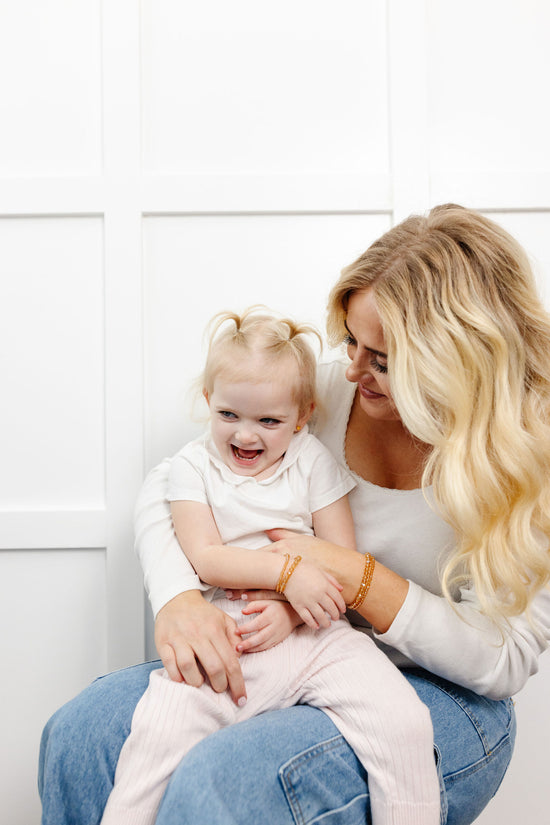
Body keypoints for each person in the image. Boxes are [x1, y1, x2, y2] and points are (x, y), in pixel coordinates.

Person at [39, 204, 550, 825]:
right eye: (352, 342)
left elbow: (503, 661)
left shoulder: (529, 460)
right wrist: (179, 598)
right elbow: (172, 479)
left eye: (384, 360)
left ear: (456, 361)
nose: (355, 369)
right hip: (292, 646)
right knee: (80, 736)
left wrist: (356, 578)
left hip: (445, 696)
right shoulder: (325, 396)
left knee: (224, 783)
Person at [100, 307, 440, 825]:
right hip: (232, 637)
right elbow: (207, 558)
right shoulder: (193, 467)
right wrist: (286, 576)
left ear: (302, 416)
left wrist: (293, 612)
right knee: (158, 731)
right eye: (229, 415)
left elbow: (343, 560)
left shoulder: (311, 461)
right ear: (210, 401)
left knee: (404, 722)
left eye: (269, 421)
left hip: (320, 635)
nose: (246, 437)